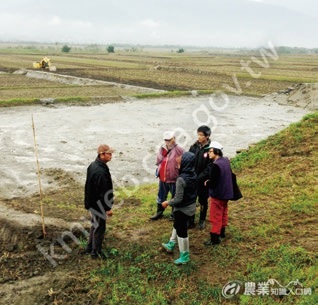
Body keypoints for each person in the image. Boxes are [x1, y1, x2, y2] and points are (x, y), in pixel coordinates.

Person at [161, 152, 197, 265]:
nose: (177, 165)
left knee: (182, 232)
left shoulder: (181, 179)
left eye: (180, 163)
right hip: (191, 206)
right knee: (177, 224)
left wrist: (167, 202)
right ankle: (171, 243)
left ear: (185, 163)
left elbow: (178, 199)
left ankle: (184, 256)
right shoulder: (194, 175)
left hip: (183, 209)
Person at [84, 144, 114, 259]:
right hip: (98, 205)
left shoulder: (93, 165)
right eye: (109, 154)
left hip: (91, 203)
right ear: (102, 155)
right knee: (99, 228)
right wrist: (108, 208)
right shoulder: (100, 171)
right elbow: (104, 192)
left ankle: (89, 247)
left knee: (94, 225)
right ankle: (95, 252)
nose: (111, 156)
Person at [204, 141, 233, 246]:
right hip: (226, 193)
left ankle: (214, 238)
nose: (209, 153)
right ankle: (222, 232)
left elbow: (213, 182)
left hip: (218, 195)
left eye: (210, 151)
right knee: (224, 212)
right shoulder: (225, 161)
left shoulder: (215, 165)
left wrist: (207, 183)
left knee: (215, 216)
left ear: (216, 152)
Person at [150, 131, 184, 220]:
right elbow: (158, 161)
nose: (167, 142)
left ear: (174, 139)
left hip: (174, 179)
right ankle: (159, 212)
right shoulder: (162, 149)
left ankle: (174, 213)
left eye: (169, 140)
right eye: (166, 140)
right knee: (161, 196)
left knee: (175, 196)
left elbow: (184, 163)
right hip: (163, 178)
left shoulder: (180, 150)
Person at [189, 125, 212, 229]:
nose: (199, 137)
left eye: (201, 135)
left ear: (207, 136)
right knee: (192, 199)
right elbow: (189, 160)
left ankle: (202, 219)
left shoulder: (211, 149)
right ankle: (191, 219)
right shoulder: (193, 147)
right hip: (193, 179)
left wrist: (200, 177)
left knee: (203, 200)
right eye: (198, 134)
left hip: (203, 181)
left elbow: (210, 166)